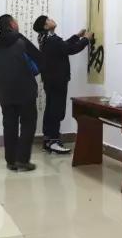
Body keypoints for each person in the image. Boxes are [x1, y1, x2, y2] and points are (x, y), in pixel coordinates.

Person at [0, 14, 42, 172]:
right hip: (25, 92)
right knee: (28, 124)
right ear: (11, 24)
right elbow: (36, 63)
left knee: (9, 125)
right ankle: (22, 160)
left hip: (4, 93)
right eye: (15, 21)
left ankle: (11, 161)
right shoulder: (20, 42)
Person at [32, 15, 92, 154]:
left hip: (50, 80)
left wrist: (77, 36)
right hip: (58, 80)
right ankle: (54, 141)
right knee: (56, 110)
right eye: (48, 20)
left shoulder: (46, 39)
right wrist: (86, 39)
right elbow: (70, 49)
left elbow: (63, 46)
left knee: (51, 109)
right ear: (46, 26)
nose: (51, 20)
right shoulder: (52, 40)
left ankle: (48, 140)